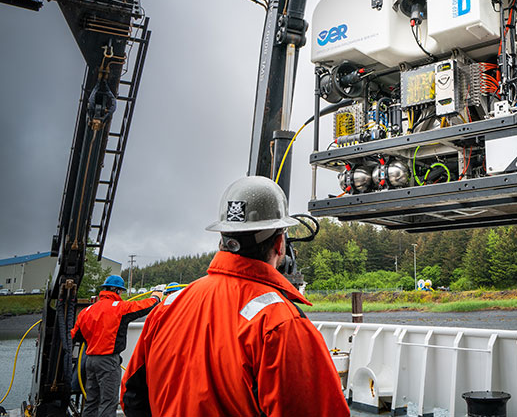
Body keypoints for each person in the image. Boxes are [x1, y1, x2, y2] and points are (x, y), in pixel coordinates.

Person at [120, 176, 349, 417]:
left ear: (223, 239)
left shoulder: (169, 306)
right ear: (280, 244)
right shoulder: (279, 323)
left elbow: (132, 396)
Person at [71, 275, 162, 417]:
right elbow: (144, 306)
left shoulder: (87, 311)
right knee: (108, 402)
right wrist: (156, 297)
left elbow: (75, 336)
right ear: (118, 291)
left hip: (90, 362)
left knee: (91, 401)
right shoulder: (119, 308)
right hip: (108, 362)